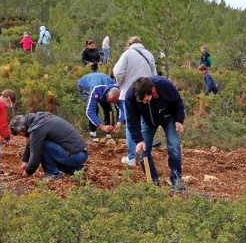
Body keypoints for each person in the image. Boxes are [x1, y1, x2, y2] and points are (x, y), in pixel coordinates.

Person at [125, 76, 186, 191]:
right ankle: (152, 182)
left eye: (146, 100)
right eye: (141, 101)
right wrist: (138, 140)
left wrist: (179, 120)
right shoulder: (131, 95)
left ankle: (176, 179)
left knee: (174, 147)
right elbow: (132, 120)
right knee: (143, 152)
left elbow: (178, 102)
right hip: (147, 121)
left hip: (168, 117)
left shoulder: (164, 85)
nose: (144, 102)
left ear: (152, 90)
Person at [113, 36, 157, 166]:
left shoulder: (127, 53)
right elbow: (154, 76)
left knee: (132, 124)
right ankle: (145, 154)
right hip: (146, 95)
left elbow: (117, 71)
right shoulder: (149, 54)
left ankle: (131, 158)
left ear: (129, 44)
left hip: (129, 93)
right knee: (145, 124)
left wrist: (121, 85)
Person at [9, 112, 88, 179]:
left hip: (75, 155)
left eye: (21, 134)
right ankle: (75, 170)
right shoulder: (40, 118)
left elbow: (35, 156)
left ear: (23, 128)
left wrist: (28, 172)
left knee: (41, 146)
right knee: (42, 145)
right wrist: (25, 160)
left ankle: (53, 174)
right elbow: (32, 142)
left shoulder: (37, 129)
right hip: (80, 152)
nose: (23, 136)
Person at [77, 72, 125, 141]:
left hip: (102, 86)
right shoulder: (95, 90)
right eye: (111, 101)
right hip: (85, 85)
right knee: (95, 109)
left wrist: (119, 122)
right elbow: (90, 112)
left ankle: (108, 135)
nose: (112, 103)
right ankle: (92, 134)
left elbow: (122, 108)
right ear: (107, 95)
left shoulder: (117, 91)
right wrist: (102, 126)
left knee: (109, 110)